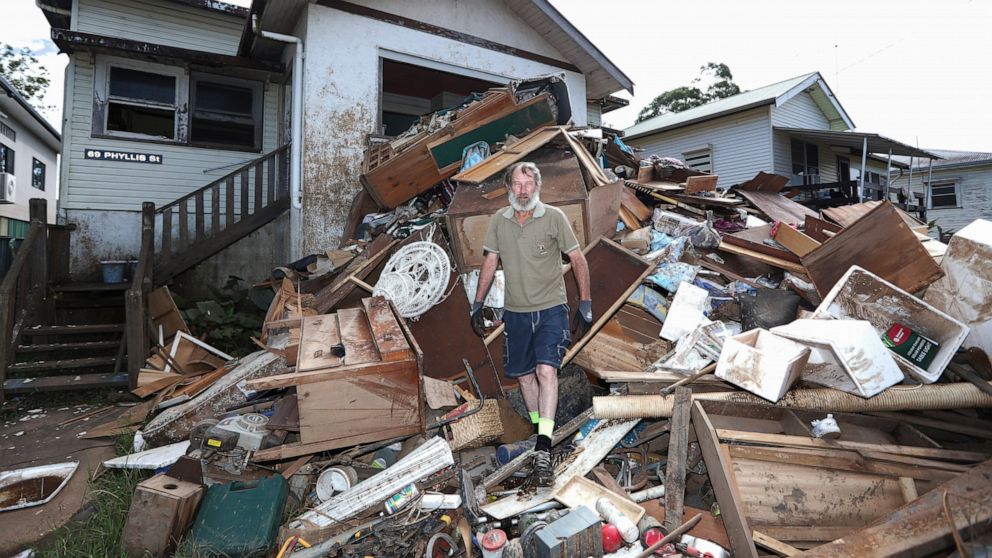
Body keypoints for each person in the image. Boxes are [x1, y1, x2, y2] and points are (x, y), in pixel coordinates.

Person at [471, 161, 592, 486]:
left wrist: (585, 302)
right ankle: (543, 429)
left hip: (551, 309)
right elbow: (490, 261)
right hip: (517, 313)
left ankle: (542, 445)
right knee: (524, 378)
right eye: (516, 185)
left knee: (545, 371)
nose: (522, 191)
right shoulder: (500, 221)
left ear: (536, 187)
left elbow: (578, 259)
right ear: (509, 188)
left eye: (528, 184)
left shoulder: (554, 218)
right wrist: (477, 302)